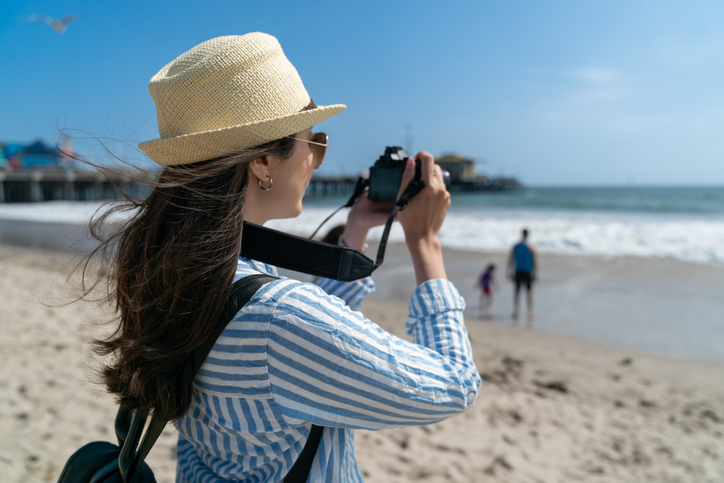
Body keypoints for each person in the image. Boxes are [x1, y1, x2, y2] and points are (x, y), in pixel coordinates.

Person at [82, 33, 480, 482]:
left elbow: (310, 352)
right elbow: (453, 384)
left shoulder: (179, 272)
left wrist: (355, 230)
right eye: (316, 141)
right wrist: (425, 244)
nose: (318, 160)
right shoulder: (275, 319)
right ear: (264, 162)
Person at [507, 228, 537, 326]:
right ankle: (530, 312)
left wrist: (509, 270)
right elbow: (534, 260)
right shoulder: (530, 246)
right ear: (527, 235)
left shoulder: (516, 246)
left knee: (517, 292)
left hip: (518, 270)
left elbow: (511, 259)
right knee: (528, 292)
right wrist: (535, 272)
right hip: (527, 271)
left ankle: (516, 311)